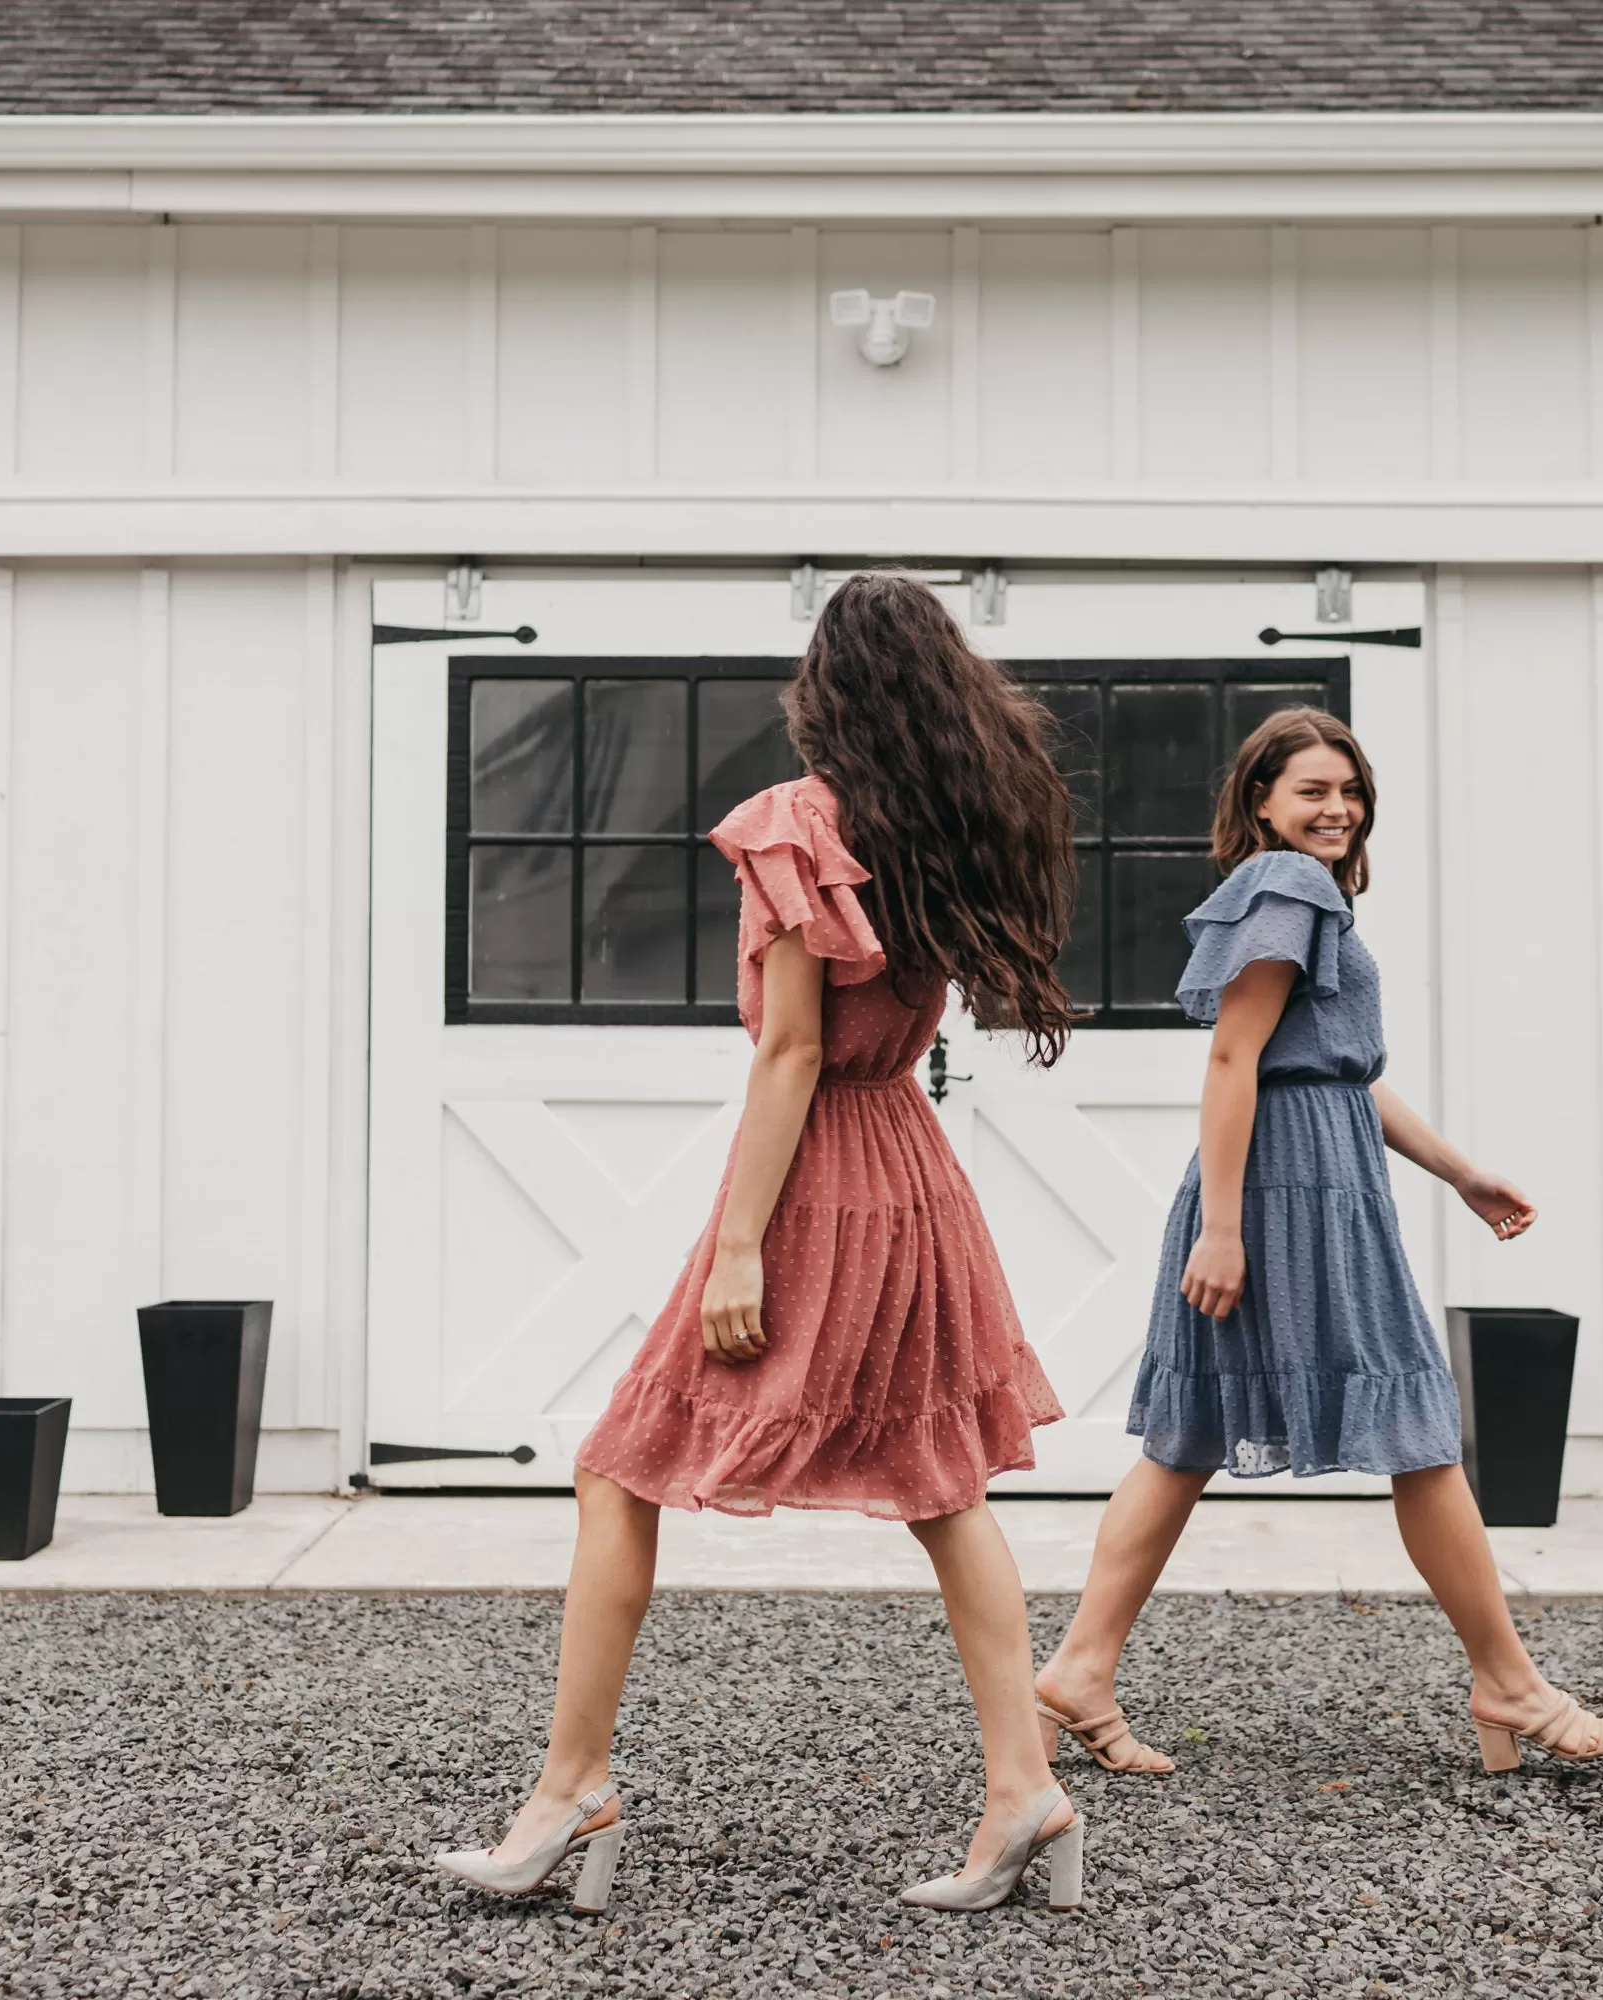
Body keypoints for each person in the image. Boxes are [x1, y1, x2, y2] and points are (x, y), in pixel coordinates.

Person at [432, 573, 1091, 1914]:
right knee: (945, 1488)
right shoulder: (951, 825)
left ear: (828, 688)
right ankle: (1027, 1791)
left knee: (620, 1467)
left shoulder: (802, 823)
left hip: (824, 1178)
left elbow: (793, 1049)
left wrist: (740, 1247)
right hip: (913, 1165)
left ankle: (573, 1792)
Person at [1034, 707, 1603, 1779]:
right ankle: (1508, 1682)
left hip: (1313, 1167)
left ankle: (1080, 1668)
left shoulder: (1300, 896)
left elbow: (1333, 1067)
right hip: (1282, 1191)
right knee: (1415, 1429)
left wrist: (1458, 1169)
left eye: (1349, 790)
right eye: (1312, 789)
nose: (1337, 808)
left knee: (1191, 1434)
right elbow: (1234, 1059)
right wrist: (1224, 1228)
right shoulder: (1292, 886)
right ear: (1259, 799)